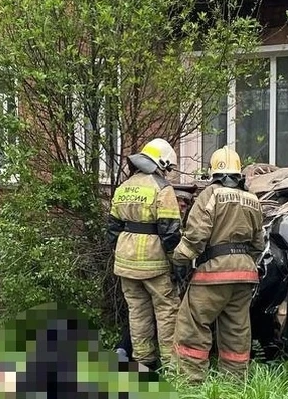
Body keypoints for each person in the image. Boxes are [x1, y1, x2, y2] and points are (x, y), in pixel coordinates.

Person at [172, 147, 265, 382]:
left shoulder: (211, 195)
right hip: (244, 275)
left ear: (214, 172)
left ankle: (191, 381)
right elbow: (259, 242)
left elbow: (196, 235)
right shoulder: (252, 199)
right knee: (236, 329)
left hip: (213, 274)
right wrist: (245, 262)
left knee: (193, 324)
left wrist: (178, 258)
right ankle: (234, 383)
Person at [107, 138, 183, 372]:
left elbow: (112, 228)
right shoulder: (162, 189)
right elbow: (170, 232)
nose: (168, 173)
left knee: (137, 312)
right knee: (166, 310)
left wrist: (123, 250)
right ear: (162, 164)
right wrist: (177, 263)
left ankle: (143, 363)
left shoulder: (124, 187)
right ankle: (171, 366)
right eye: (168, 168)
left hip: (125, 262)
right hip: (153, 263)